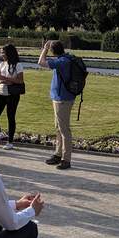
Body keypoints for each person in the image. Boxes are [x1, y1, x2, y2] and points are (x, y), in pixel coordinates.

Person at [37, 40, 75, 170]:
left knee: (64, 129)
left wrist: (45, 49)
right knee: (59, 128)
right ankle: (58, 154)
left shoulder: (62, 62)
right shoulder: (64, 59)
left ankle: (66, 159)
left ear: (53, 51)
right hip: (60, 98)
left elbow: (41, 62)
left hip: (62, 99)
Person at [0, 44, 24, 150]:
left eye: (3, 52)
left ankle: (10, 142)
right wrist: (2, 80)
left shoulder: (18, 65)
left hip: (12, 95)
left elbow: (20, 80)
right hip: (1, 92)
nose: (2, 54)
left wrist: (6, 79)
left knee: (11, 117)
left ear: (9, 53)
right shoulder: (1, 64)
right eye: (1, 52)